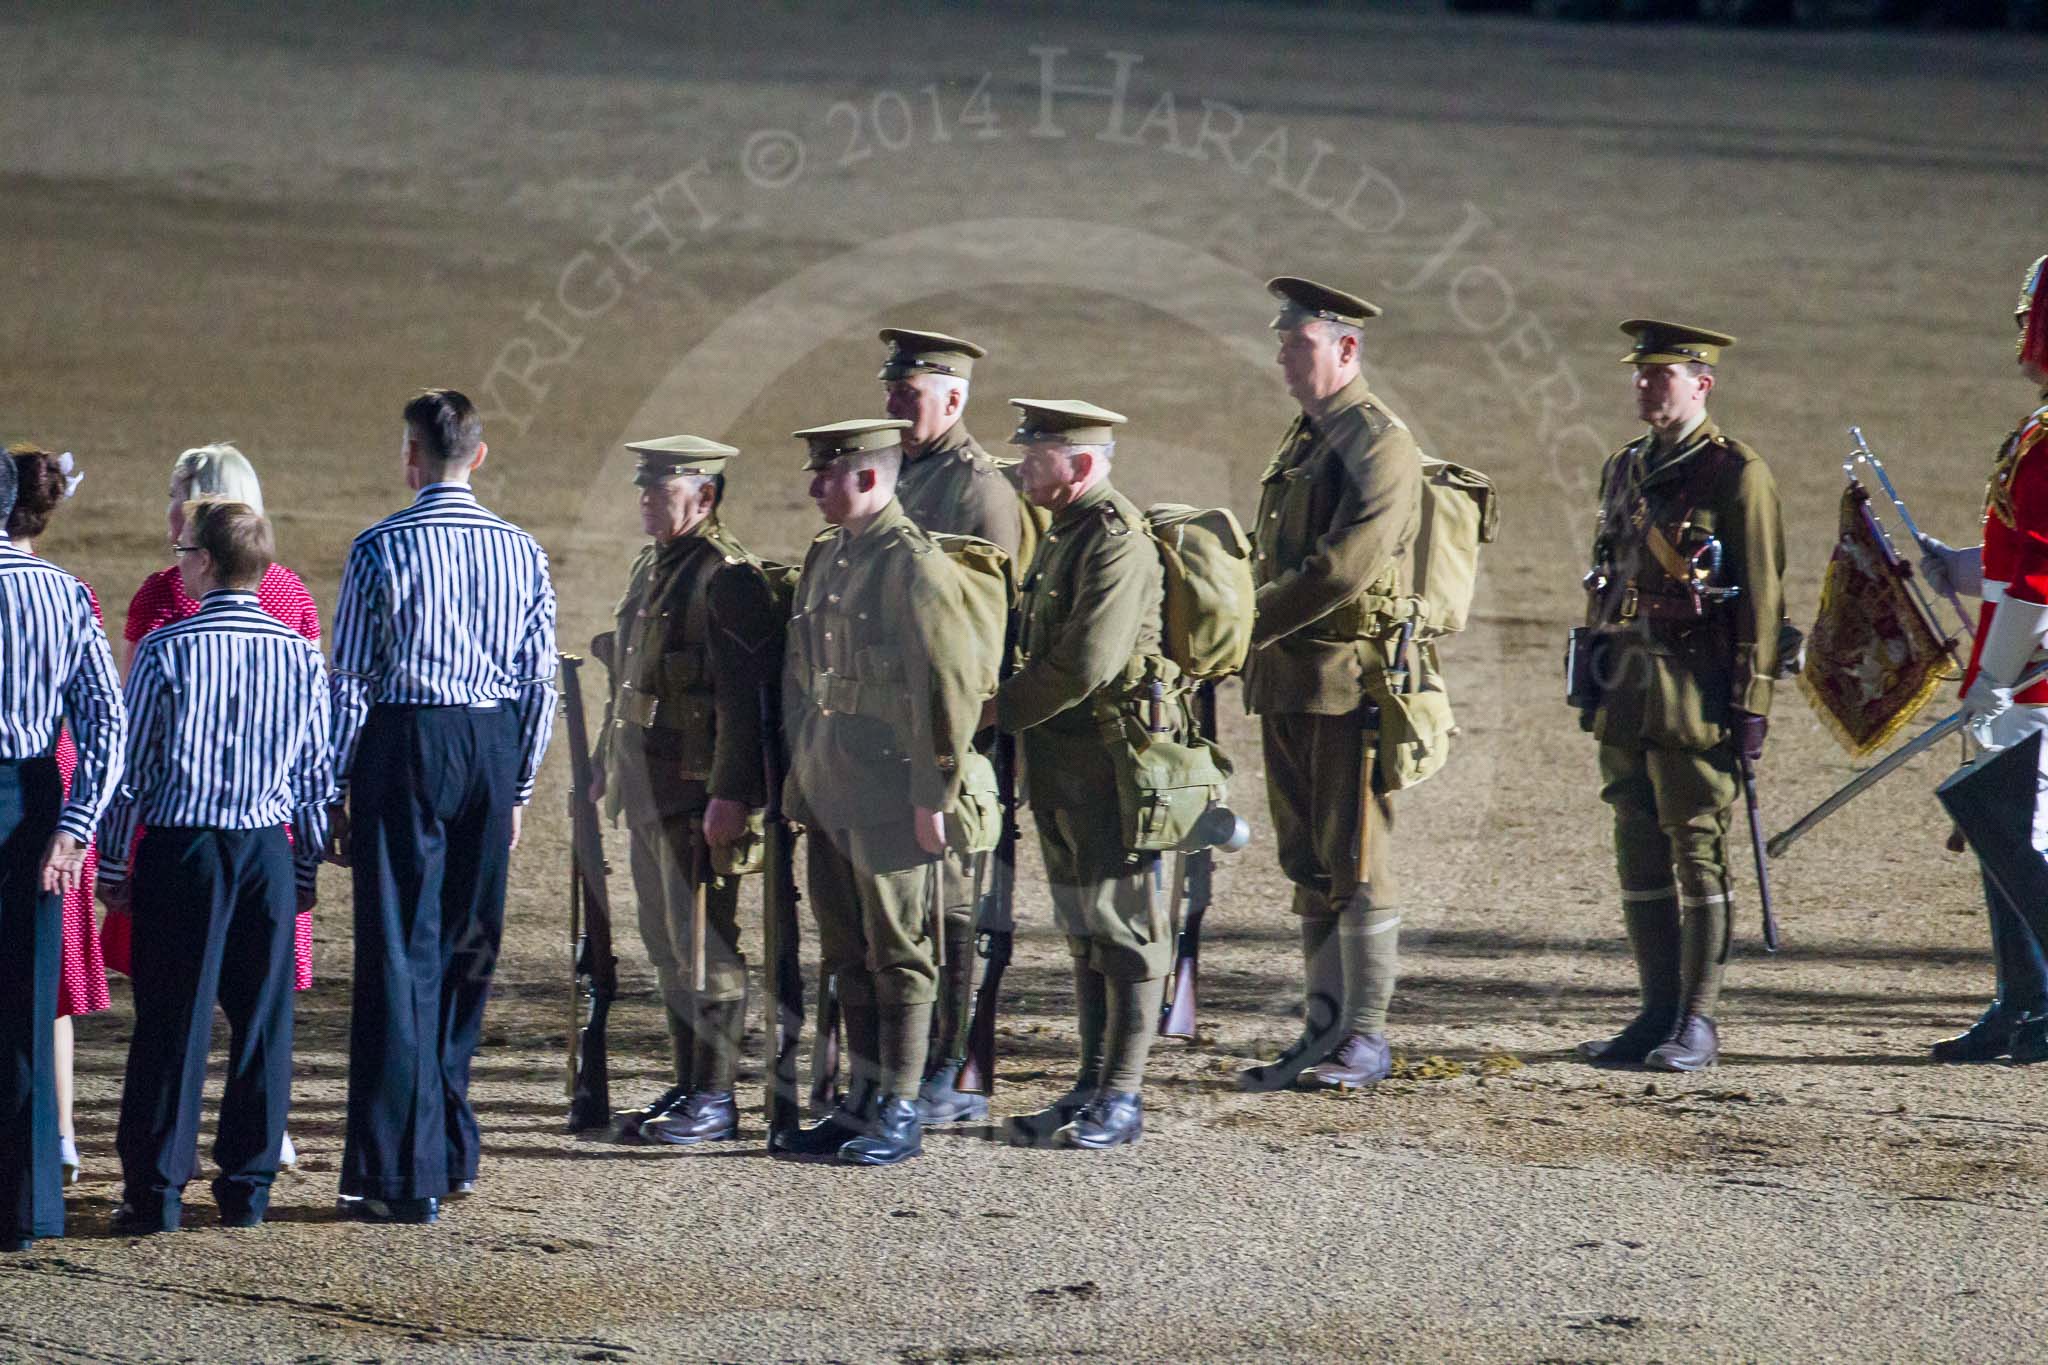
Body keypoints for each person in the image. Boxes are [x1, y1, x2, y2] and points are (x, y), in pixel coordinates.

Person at [329, 389, 557, 1223]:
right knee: (468, 947)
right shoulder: (521, 549)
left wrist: (331, 788)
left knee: (399, 950)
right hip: (488, 745)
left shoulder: (379, 546)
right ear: (479, 455)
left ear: (411, 455)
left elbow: (350, 681)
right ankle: (453, 1147)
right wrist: (520, 785)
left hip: (407, 742)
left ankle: (400, 1172)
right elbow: (540, 682)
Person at [98, 500, 331, 1233]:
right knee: (262, 1023)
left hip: (183, 848)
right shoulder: (297, 653)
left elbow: (132, 769)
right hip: (265, 843)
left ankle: (156, 1191)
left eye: (184, 548)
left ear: (203, 561)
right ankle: (248, 1187)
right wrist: (306, 863)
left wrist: (111, 862)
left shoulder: (168, 648)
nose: (178, 557)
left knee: (170, 1022)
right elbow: (314, 773)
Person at [1575, 320, 1784, 1073]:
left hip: (1694, 693)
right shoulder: (1625, 468)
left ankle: (1698, 1018)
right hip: (1627, 688)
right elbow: (1606, 574)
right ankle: (1654, 1010)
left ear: (1703, 382)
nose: (1644, 385)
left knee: (1696, 847)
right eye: (1639, 372)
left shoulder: (1735, 474)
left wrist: (1751, 700)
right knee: (1637, 844)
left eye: (1661, 373)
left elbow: (1761, 599)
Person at [778, 418, 985, 1167]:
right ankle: (860, 1102)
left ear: (868, 479)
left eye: (826, 474)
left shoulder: (914, 566)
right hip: (830, 783)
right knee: (846, 950)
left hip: (893, 791)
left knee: (900, 950)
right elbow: (802, 676)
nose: (812, 488)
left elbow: (951, 688)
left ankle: (899, 1104)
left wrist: (934, 791)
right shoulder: (830, 555)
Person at [1238, 277, 1423, 1093]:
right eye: (1281, 341)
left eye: (1298, 343)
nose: (1282, 355)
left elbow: (1343, 569)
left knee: (1358, 858)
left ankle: (1367, 1036)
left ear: (1346, 349)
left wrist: (1239, 623)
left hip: (1347, 680)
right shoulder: (1307, 436)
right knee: (1308, 858)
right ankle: (1322, 1028)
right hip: (1288, 676)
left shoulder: (1378, 443)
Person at [588, 436, 780, 1144]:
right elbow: (632, 683)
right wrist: (605, 762)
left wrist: (732, 794)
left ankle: (717, 1092)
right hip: (649, 788)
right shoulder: (658, 565)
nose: (644, 497)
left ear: (703, 498)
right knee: (669, 942)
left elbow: (744, 700)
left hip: (698, 794)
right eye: (644, 485)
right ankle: (689, 1076)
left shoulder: (725, 579)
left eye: (660, 489)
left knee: (710, 945)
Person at [991, 399, 1169, 1149]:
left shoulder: (1114, 540)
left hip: (1108, 757)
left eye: (1039, 454)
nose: (1024, 465)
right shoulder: (1066, 529)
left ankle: (1121, 1096)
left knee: (1125, 927)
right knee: (1084, 924)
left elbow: (1086, 663)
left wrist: (992, 712)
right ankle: (1089, 1084)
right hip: (1063, 755)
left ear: (1083, 463)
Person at [876, 326, 1024, 1126]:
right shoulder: (896, 472)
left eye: (911, 394)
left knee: (952, 905)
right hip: (890, 722)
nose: (895, 405)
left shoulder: (979, 492)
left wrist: (956, 735)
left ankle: (949, 1066)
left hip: (954, 728)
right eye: (891, 391)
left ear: (956, 399)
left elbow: (987, 630)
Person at [1918, 255, 2048, 1064]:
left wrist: (1997, 680)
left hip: (2033, 682)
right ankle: (2022, 1000)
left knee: (2021, 840)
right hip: (2014, 677)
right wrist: (1957, 567)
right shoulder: (2036, 436)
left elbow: (2038, 583)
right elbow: (2013, 563)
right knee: (2002, 842)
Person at [0, 450, 124, 1252]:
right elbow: (107, 722)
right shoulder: (67, 594)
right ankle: (29, 1208)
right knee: (27, 1008)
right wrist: (76, 828)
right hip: (38, 805)